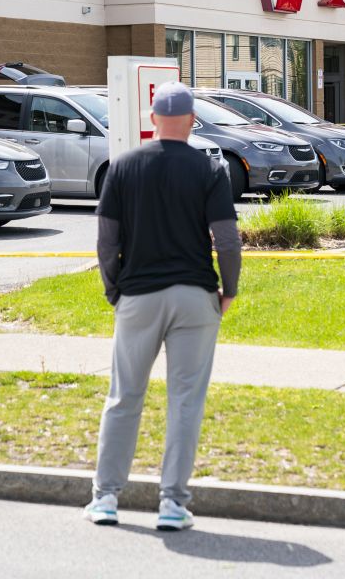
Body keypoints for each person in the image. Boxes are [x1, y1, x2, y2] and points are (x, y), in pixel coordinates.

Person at [83, 81, 242, 531]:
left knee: (123, 397)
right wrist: (227, 290)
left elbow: (106, 240)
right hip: (195, 297)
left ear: (152, 120)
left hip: (138, 296)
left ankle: (106, 499)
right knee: (185, 402)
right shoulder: (211, 170)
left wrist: (115, 290)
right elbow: (227, 241)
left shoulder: (123, 167)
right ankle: (173, 504)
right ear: (192, 121)